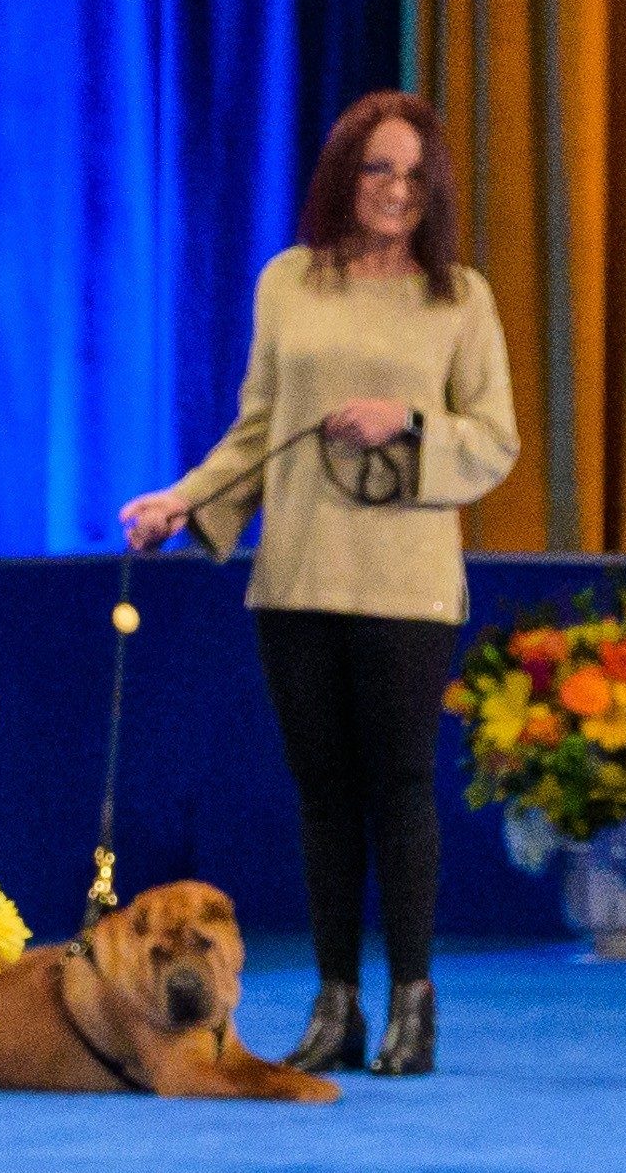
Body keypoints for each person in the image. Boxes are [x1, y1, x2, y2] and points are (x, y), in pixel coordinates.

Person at [120, 93, 519, 1078]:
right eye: (378, 170)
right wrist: (182, 500)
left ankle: (413, 1005)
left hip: (406, 581)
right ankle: (336, 1002)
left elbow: (497, 440)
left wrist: (411, 424)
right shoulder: (289, 282)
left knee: (399, 788)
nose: (395, 191)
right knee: (324, 801)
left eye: (413, 175)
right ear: (344, 176)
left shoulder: (458, 297)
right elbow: (260, 428)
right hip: (297, 573)